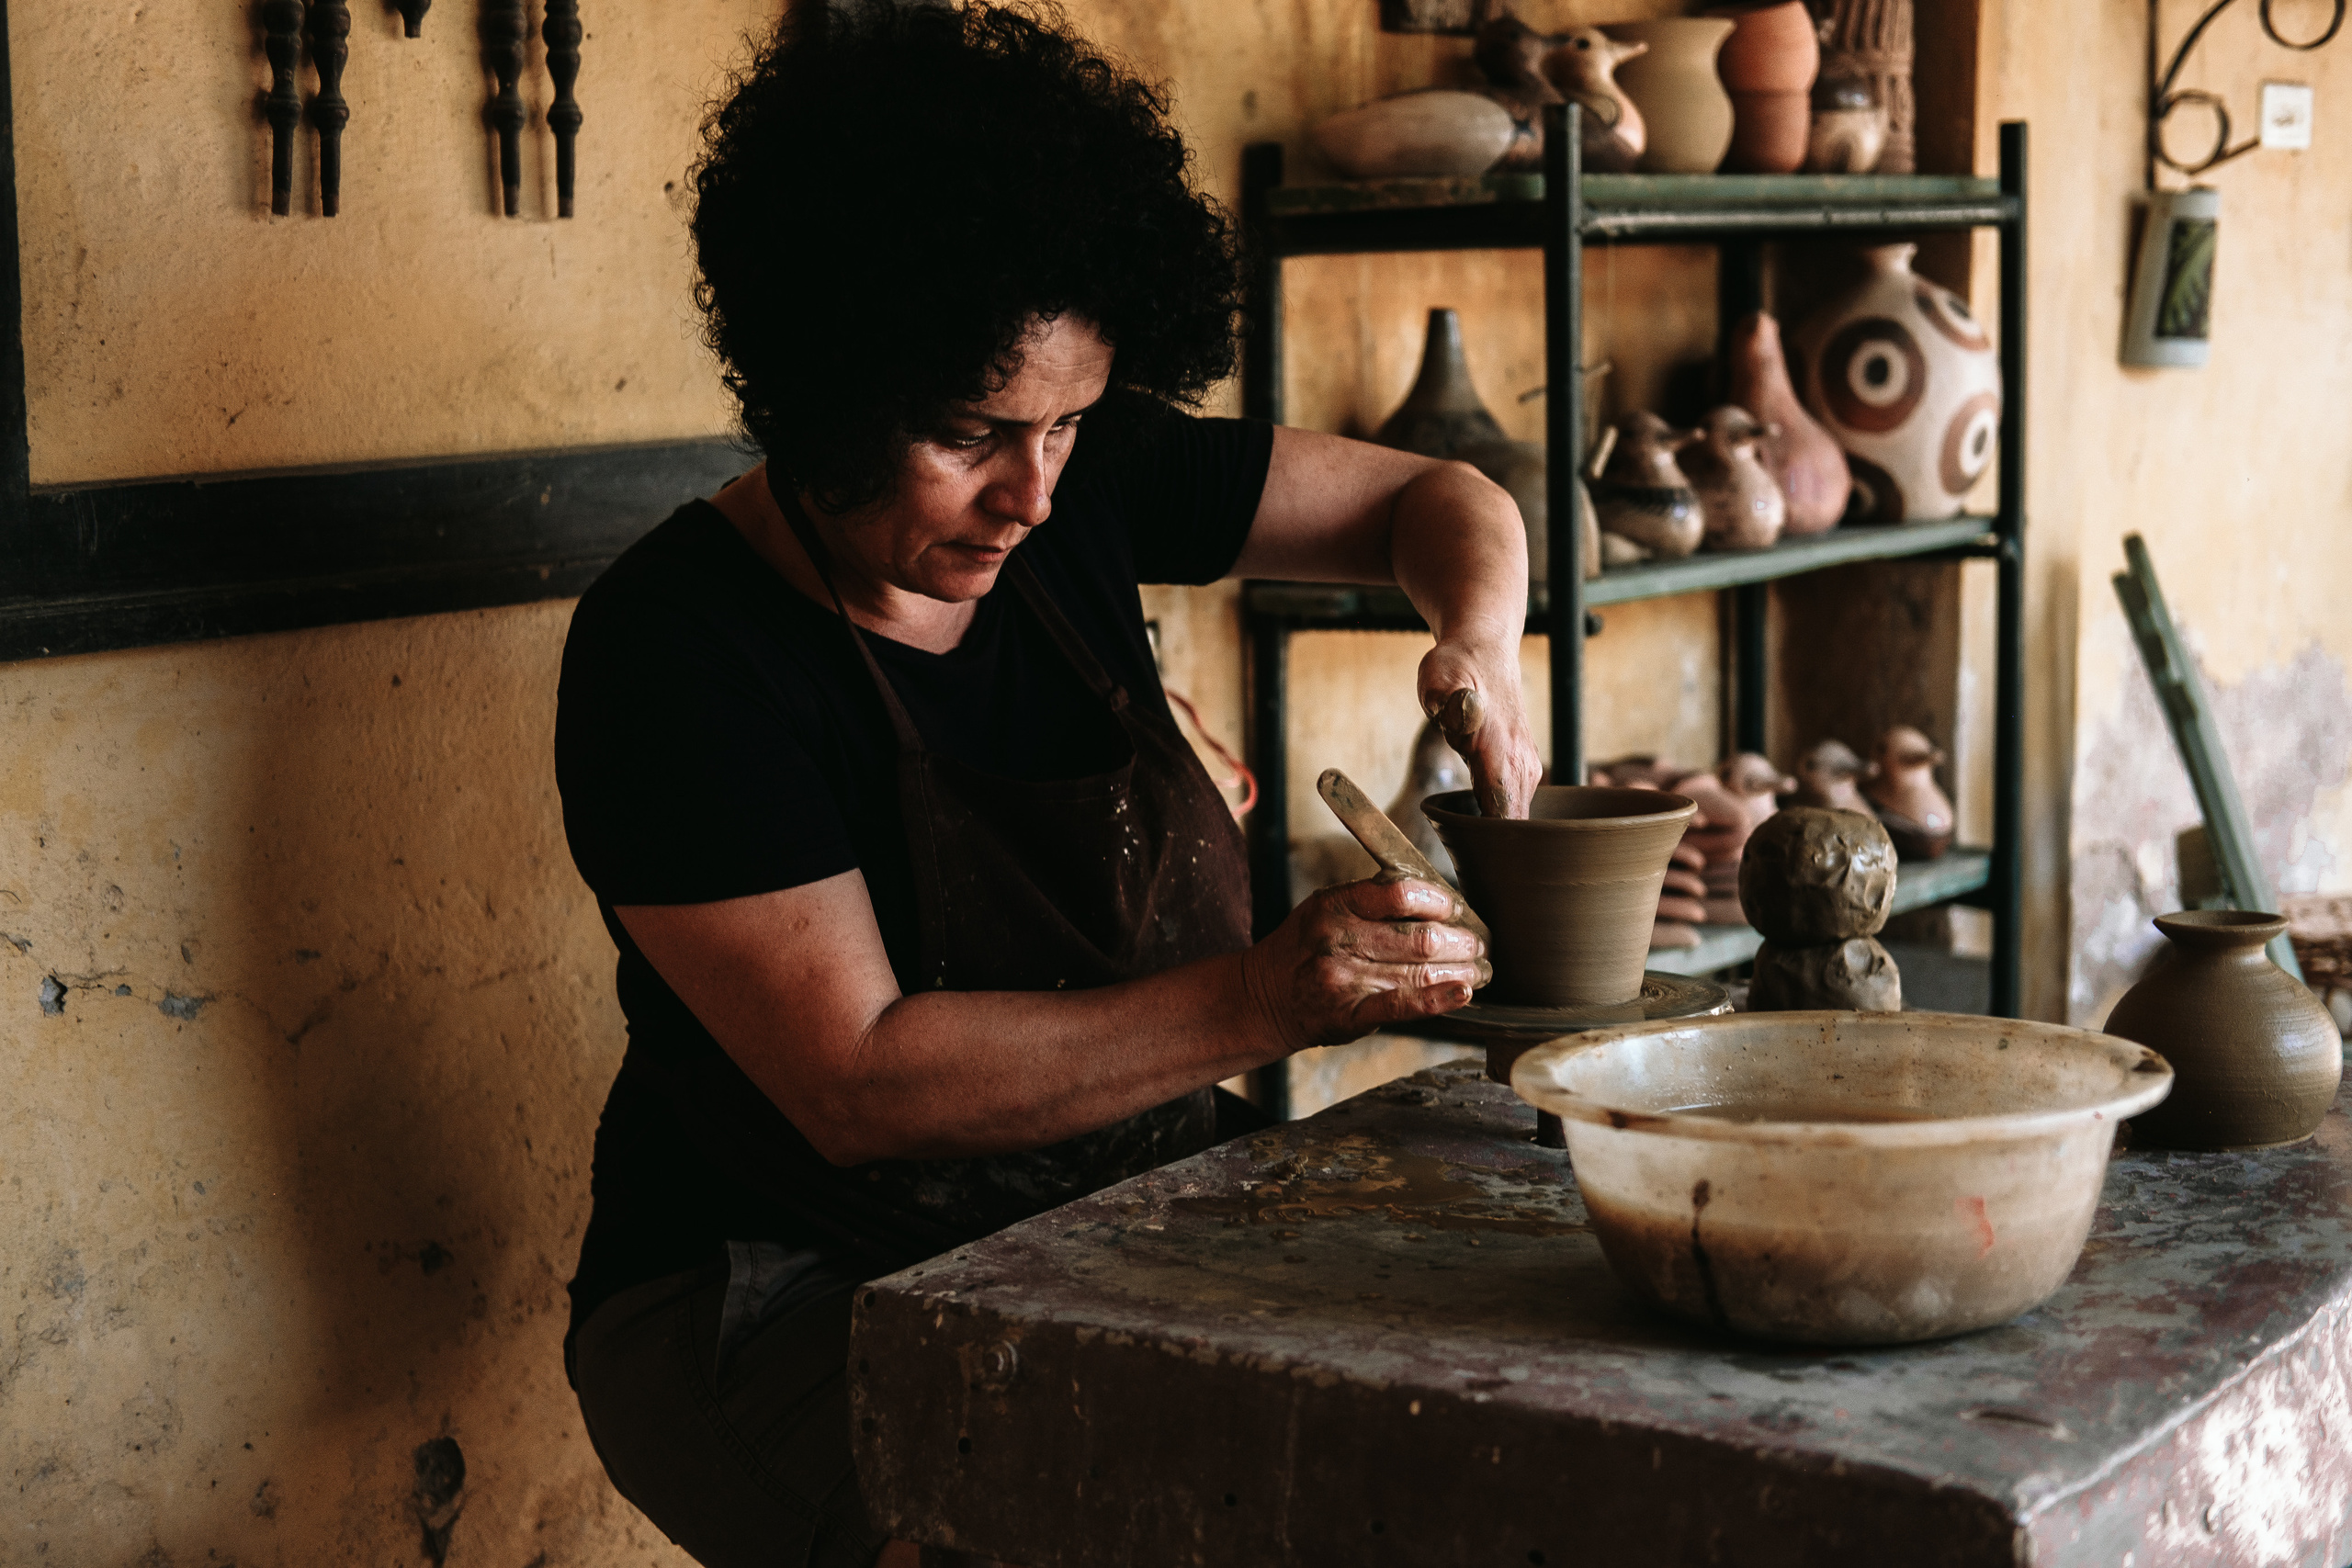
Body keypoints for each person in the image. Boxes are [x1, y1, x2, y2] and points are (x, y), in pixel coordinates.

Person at [552, 4, 1542, 1563]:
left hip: (1113, 1206)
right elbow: (860, 1083)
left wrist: (1478, 642)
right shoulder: (678, 652)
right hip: (787, 1284)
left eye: (1068, 425)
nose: (1031, 492)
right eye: (971, 435)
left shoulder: (1081, 485)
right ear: (827, 391)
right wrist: (1266, 999)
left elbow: (1442, 494)